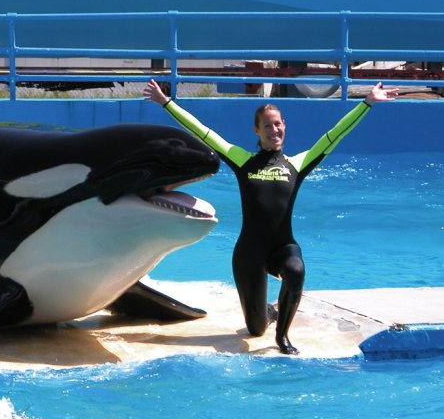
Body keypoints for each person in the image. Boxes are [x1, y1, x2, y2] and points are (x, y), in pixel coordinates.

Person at [143, 80, 398, 354]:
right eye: (267, 125)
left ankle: (282, 336)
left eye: (277, 124)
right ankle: (268, 312)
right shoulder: (242, 160)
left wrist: (367, 102)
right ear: (257, 130)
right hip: (249, 252)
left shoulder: (297, 163)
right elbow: (203, 133)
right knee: (255, 329)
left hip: (282, 247)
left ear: (284, 126)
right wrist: (166, 103)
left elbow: (334, 135)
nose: (274, 129)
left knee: (296, 271)